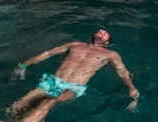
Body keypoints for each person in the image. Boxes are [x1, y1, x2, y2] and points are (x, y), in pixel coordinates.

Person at [10, 29, 140, 122]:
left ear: (107, 42)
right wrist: (24, 65)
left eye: (105, 33)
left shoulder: (111, 55)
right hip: (53, 81)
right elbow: (48, 53)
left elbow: (122, 71)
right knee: (22, 102)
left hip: (73, 87)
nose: (101, 31)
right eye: (100, 30)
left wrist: (131, 88)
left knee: (49, 102)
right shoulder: (75, 45)